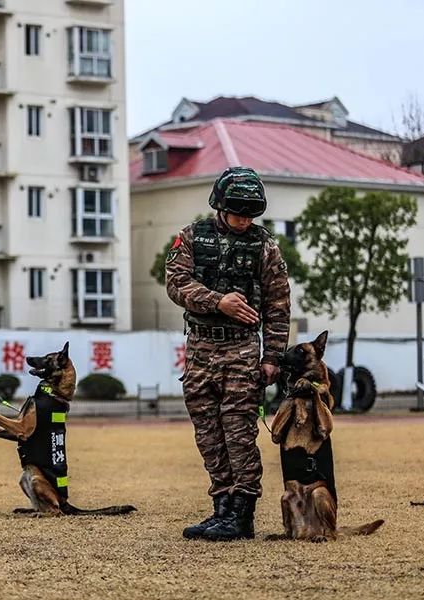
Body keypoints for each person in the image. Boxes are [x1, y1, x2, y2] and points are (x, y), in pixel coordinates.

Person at [165, 167, 291, 541]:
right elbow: (175, 283)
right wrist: (220, 302)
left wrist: (272, 358)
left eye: (250, 215)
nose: (243, 221)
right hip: (201, 348)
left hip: (241, 350)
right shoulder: (191, 237)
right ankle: (221, 508)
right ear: (220, 206)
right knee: (208, 434)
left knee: (238, 432)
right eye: (238, 213)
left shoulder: (264, 246)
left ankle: (242, 513)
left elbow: (278, 306)